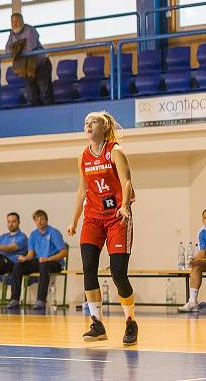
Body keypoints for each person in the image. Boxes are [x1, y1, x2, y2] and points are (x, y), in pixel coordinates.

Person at [68, 112, 138, 345]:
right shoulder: (82, 157)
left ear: (104, 126)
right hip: (93, 218)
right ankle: (97, 324)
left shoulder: (115, 151)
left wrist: (125, 205)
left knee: (118, 273)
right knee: (89, 268)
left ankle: (130, 321)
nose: (88, 124)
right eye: (86, 121)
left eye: (93, 121)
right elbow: (82, 191)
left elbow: (126, 181)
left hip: (117, 216)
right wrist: (75, 220)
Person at [7, 209, 67, 311]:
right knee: (18, 266)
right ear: (34, 221)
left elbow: (64, 252)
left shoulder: (54, 232)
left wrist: (48, 258)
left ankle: (41, 300)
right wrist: (24, 258)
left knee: (44, 265)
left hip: (55, 262)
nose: (39, 222)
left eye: (42, 219)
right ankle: (14, 299)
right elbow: (31, 254)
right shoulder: (33, 234)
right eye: (37, 219)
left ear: (46, 220)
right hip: (40, 261)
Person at [5, 13, 53, 106]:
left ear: (22, 21)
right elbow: (7, 50)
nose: (14, 24)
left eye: (17, 21)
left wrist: (16, 50)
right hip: (27, 68)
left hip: (41, 65)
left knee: (45, 92)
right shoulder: (12, 34)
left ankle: (51, 113)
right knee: (32, 95)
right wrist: (17, 48)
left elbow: (30, 47)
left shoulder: (30, 30)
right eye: (12, 22)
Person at [179, 208, 206, 312]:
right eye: (204, 218)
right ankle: (193, 302)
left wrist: (202, 260)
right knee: (196, 267)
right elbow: (202, 253)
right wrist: (195, 261)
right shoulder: (202, 232)